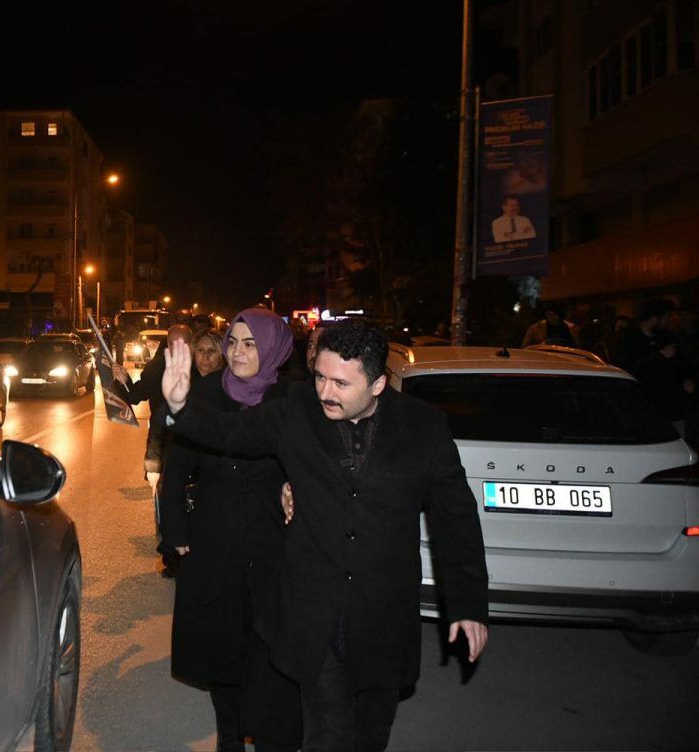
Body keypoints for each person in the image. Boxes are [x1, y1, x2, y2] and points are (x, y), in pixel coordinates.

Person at [161, 319, 489, 752]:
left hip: (383, 618)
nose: (325, 392)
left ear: (377, 384)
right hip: (315, 617)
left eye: (341, 383)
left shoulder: (423, 428)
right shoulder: (297, 412)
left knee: (370, 734)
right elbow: (232, 433)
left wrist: (468, 604)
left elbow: (455, 518)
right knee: (326, 733)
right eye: (320, 377)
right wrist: (181, 406)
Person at [160, 309, 298, 752]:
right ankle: (230, 734)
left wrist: (293, 488)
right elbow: (176, 469)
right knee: (220, 645)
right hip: (214, 536)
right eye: (233, 342)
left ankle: (264, 729)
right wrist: (175, 529)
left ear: (273, 349)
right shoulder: (203, 394)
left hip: (272, 542)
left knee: (267, 645)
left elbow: (310, 463)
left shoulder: (292, 401)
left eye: (250, 343)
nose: (237, 352)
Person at [113, 323, 193, 575]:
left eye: (183, 344)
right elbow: (135, 395)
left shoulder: (203, 369)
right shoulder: (157, 368)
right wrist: (122, 381)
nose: (177, 349)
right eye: (172, 343)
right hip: (165, 444)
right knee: (167, 499)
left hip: (198, 446)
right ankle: (172, 557)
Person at [611, 298, 675, 372]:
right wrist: (660, 355)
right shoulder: (628, 339)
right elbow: (627, 368)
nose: (669, 321)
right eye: (667, 317)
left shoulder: (666, 336)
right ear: (654, 319)